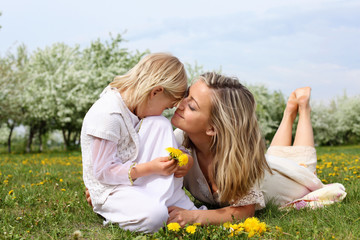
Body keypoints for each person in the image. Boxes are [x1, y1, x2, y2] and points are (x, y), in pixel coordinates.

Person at [167, 72, 346, 226]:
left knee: (302, 163)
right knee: (276, 154)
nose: (180, 104)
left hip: (285, 179)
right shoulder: (178, 140)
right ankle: (289, 111)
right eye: (187, 96)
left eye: (191, 106)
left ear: (213, 128)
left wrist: (194, 216)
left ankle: (304, 108)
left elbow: (244, 211)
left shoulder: (237, 161)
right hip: (268, 165)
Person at [81, 53, 200, 233]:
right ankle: (119, 211)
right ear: (156, 91)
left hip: (133, 180)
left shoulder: (137, 109)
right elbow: (103, 172)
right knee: (156, 216)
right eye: (167, 106)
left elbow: (151, 142)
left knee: (158, 123)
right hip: (109, 190)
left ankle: (168, 198)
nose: (165, 111)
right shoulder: (108, 115)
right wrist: (151, 168)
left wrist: (184, 158)